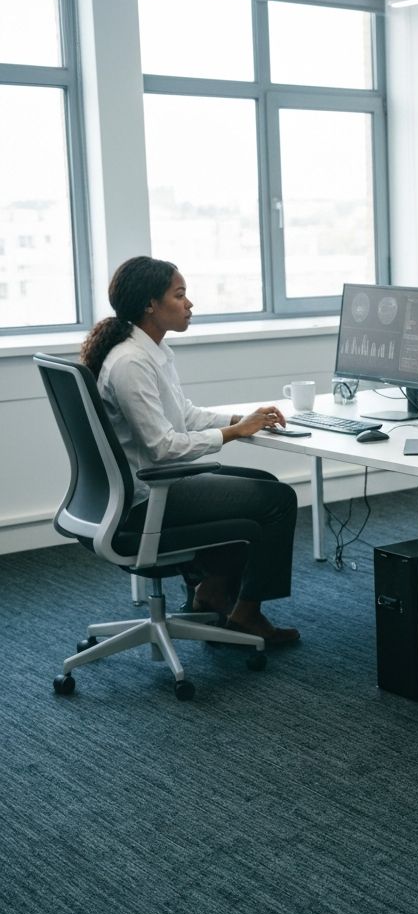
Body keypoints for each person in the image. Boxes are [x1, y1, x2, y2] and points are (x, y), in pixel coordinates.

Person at [80, 256, 300, 646]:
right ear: (150, 304)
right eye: (179, 295)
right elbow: (163, 447)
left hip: (141, 487)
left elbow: (182, 413)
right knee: (278, 500)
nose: (189, 304)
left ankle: (211, 591)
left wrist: (241, 418)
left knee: (263, 483)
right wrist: (234, 433)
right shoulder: (131, 362)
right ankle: (246, 612)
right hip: (146, 497)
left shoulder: (148, 350)